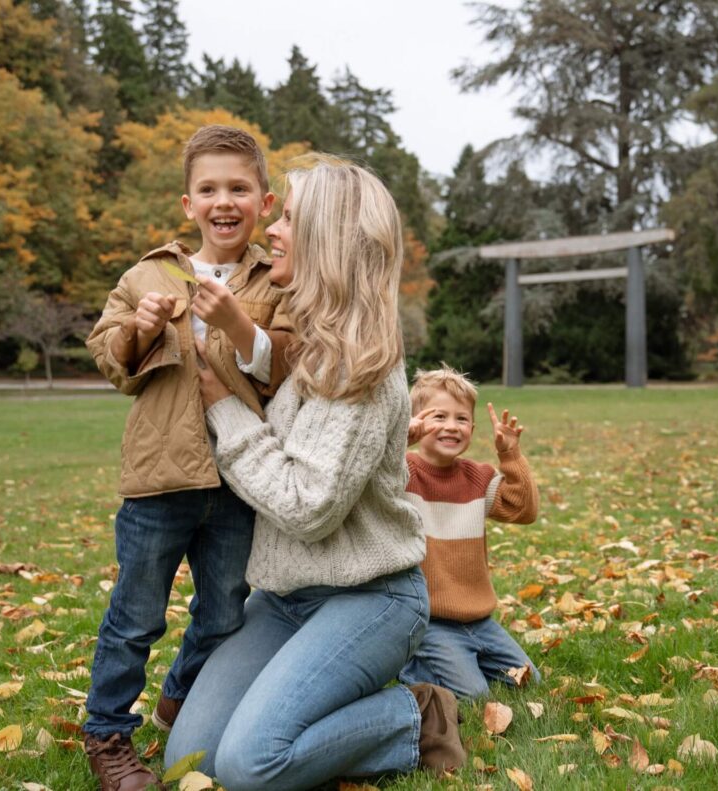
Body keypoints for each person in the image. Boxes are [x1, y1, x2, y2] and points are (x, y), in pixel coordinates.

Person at [163, 161, 466, 790]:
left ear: (329, 237)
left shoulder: (365, 363)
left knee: (252, 765)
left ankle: (415, 715)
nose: (271, 229)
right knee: (189, 762)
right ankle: (315, 704)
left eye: (290, 217)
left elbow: (308, 505)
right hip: (285, 600)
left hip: (371, 599)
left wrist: (222, 405)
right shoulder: (308, 342)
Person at [83, 125, 294, 791]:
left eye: (239, 188)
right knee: (137, 612)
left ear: (264, 203)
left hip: (239, 478)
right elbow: (109, 354)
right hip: (160, 477)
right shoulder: (150, 271)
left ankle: (179, 699)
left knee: (226, 610)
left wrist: (236, 322)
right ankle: (109, 733)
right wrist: (142, 327)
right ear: (187, 203)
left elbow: (283, 364)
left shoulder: (277, 277)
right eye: (209, 189)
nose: (223, 200)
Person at [398, 363, 541, 699]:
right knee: (476, 698)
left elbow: (524, 509)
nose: (451, 427)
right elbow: (375, 470)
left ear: (473, 427)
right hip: (430, 623)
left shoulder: (477, 478)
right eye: (438, 417)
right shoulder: (404, 470)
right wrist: (399, 439)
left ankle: (460, 660)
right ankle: (412, 663)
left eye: (461, 419)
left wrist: (510, 453)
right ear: (416, 422)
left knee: (528, 682)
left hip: (480, 621)